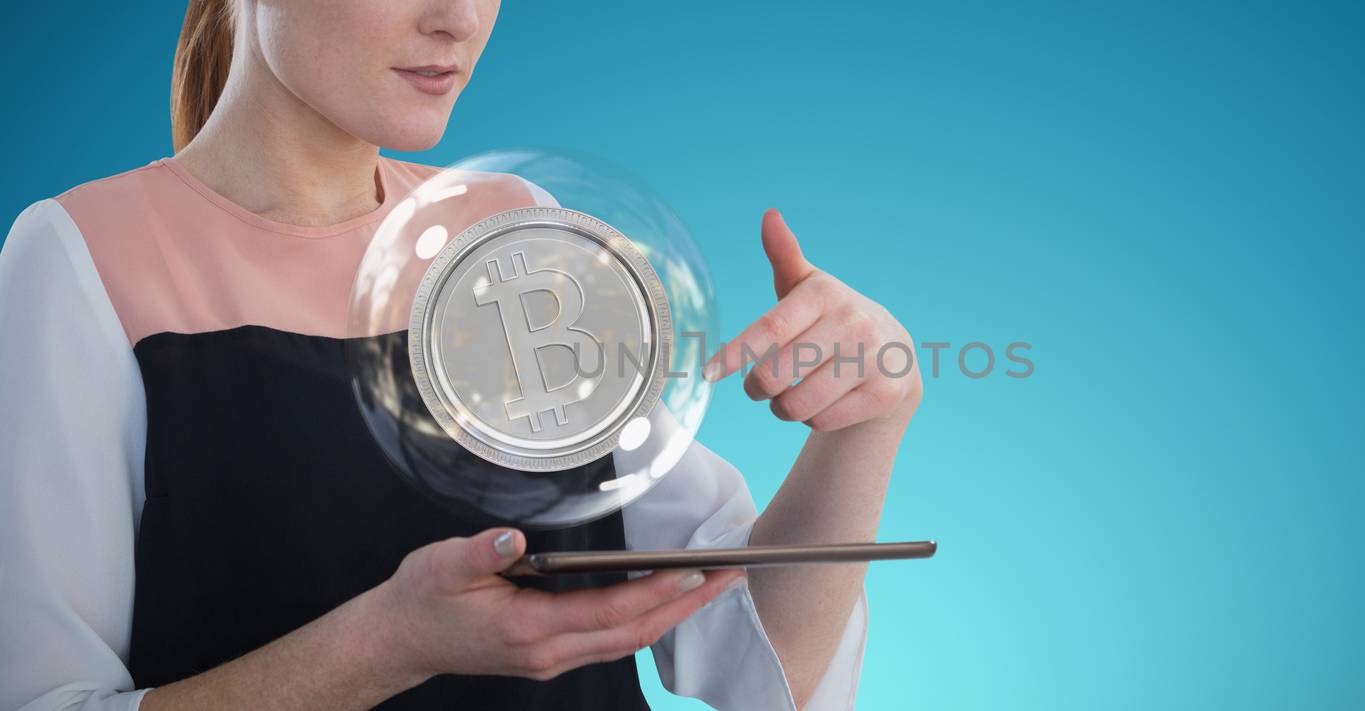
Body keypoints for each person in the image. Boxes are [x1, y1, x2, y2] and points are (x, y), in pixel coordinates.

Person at [0, 1, 923, 710]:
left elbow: (761, 661)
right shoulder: (83, 258)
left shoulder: (517, 233)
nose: (460, 20)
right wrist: (388, 643)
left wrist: (868, 424)